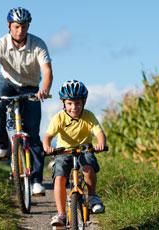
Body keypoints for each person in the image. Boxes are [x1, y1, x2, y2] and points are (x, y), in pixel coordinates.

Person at [0, 7, 53, 196]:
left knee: (33, 134)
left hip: (30, 87)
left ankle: (36, 180)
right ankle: (1, 146)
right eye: (17, 26)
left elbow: (47, 71)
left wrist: (44, 89)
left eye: (24, 26)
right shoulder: (0, 45)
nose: (21, 30)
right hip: (7, 83)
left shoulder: (38, 44)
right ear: (9, 26)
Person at [42, 80, 106, 226]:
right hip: (63, 151)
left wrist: (101, 143)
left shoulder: (88, 116)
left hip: (85, 149)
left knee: (88, 167)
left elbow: (99, 133)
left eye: (78, 103)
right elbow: (47, 137)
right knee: (59, 178)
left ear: (84, 102)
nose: (74, 107)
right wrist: (47, 147)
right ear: (63, 103)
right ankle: (61, 214)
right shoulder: (59, 118)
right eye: (70, 103)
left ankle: (92, 197)